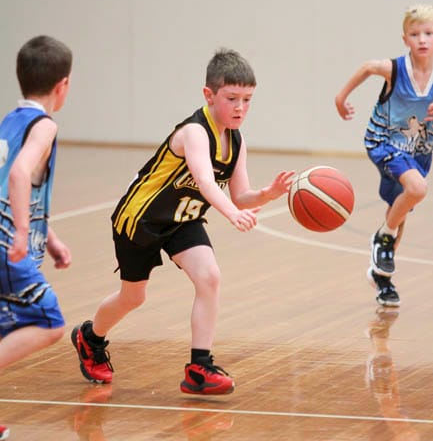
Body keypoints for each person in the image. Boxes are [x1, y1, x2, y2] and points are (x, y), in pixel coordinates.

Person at [71, 48, 295, 395]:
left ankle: (199, 367)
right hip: (141, 218)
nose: (240, 108)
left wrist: (268, 193)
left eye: (247, 100)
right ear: (209, 95)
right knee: (133, 297)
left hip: (181, 220)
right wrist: (232, 214)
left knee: (210, 277)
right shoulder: (195, 132)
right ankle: (90, 337)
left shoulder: (236, 141)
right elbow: (205, 181)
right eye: (231, 98)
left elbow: (241, 195)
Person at [335, 4, 433, 307]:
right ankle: (383, 236)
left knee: (398, 209)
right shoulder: (396, 69)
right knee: (417, 189)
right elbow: (368, 67)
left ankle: (382, 277)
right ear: (405, 39)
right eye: (415, 34)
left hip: (419, 150)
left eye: (428, 33)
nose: (422, 39)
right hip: (385, 144)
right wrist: (341, 98)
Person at [0, 35, 73, 438]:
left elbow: (8, 189)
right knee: (49, 322)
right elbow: (17, 175)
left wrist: (51, 236)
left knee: (7, 326)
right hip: (7, 244)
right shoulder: (44, 126)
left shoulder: (9, 121)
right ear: (63, 85)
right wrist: (23, 233)